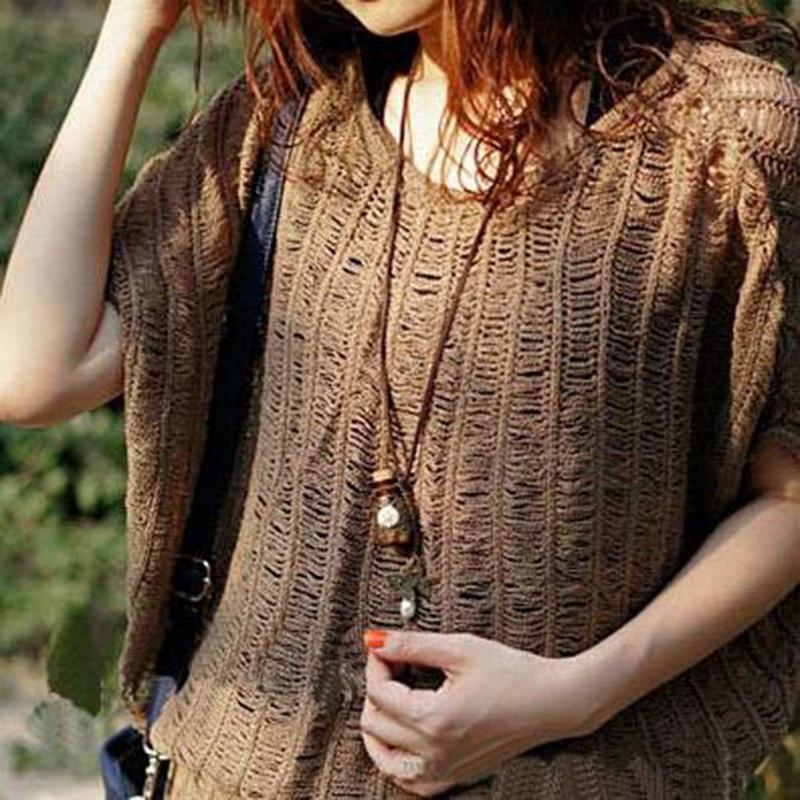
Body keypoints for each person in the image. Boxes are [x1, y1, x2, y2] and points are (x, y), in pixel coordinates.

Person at [1, 0, 800, 797]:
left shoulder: (721, 135)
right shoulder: (293, 118)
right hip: (235, 774)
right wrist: (134, 30)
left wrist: (577, 695)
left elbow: (789, 492)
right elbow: (36, 371)